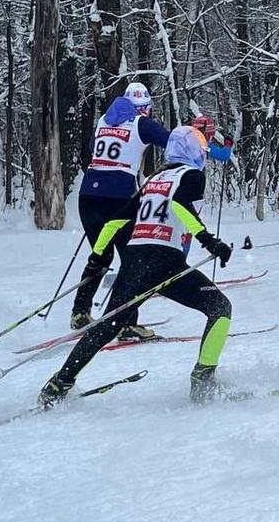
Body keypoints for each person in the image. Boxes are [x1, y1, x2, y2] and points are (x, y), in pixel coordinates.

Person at [39, 125, 235, 408]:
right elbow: (180, 205)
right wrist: (209, 241)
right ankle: (203, 380)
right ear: (194, 151)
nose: (204, 151)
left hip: (133, 260)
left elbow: (115, 222)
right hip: (165, 261)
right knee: (220, 308)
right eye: (201, 146)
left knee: (108, 325)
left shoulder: (154, 179)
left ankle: (59, 384)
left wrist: (96, 257)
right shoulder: (191, 176)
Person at [69, 82, 169, 338]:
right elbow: (172, 141)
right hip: (119, 198)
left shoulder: (104, 119)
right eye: (147, 108)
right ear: (143, 108)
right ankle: (125, 322)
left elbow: (93, 148)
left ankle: (80, 311)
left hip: (88, 195)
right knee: (133, 261)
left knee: (101, 255)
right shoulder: (141, 123)